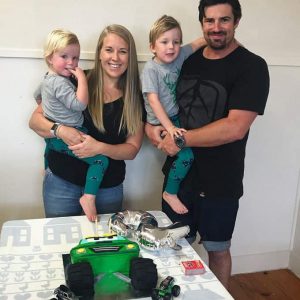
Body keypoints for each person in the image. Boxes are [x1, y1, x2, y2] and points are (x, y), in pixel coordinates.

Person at [145, 0, 269, 289]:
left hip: (221, 181)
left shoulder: (252, 66)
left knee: (218, 248)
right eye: (209, 20)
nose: (216, 27)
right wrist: (152, 129)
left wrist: (181, 139)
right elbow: (158, 99)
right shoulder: (187, 59)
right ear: (201, 22)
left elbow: (235, 127)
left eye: (224, 20)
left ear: (236, 21)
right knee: (172, 246)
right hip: (179, 179)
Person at [29, 24, 144, 222]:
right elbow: (35, 121)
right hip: (61, 182)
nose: (115, 58)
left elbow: (132, 149)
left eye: (122, 51)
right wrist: (61, 130)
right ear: (99, 53)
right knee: (60, 247)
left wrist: (98, 147)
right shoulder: (74, 80)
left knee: (102, 249)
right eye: (109, 50)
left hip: (108, 188)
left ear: (130, 56)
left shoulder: (134, 98)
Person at [34, 29, 110, 222]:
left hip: (54, 137)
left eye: (75, 58)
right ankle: (89, 197)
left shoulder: (48, 78)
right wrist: (82, 79)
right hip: (68, 133)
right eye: (64, 56)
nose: (71, 63)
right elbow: (79, 104)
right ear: (50, 57)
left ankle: (46, 167)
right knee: (101, 161)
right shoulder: (61, 83)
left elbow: (37, 95)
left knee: (49, 143)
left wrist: (50, 109)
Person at [141, 15, 205, 214]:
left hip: (175, 117)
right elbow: (153, 101)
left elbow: (197, 43)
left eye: (176, 42)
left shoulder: (179, 56)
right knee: (187, 155)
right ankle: (170, 192)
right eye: (164, 42)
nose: (171, 47)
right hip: (160, 122)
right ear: (153, 46)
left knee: (190, 151)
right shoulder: (151, 70)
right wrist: (170, 128)